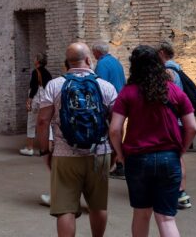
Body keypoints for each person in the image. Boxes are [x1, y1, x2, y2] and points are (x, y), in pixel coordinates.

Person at [109, 45, 196, 237]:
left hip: (137, 158)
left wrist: (120, 154)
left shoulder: (128, 92)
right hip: (169, 157)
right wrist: (181, 150)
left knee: (141, 214)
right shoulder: (173, 91)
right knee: (166, 218)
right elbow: (192, 127)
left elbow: (115, 129)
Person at [36, 42, 118, 237]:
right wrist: (115, 151)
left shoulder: (55, 85)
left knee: (65, 209)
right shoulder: (105, 86)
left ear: (67, 62)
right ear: (89, 60)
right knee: (98, 206)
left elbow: (42, 121)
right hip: (99, 153)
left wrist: (45, 151)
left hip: (64, 154)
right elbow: (115, 124)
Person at [156, 40, 192, 209]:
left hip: (172, 122)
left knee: (176, 158)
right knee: (177, 157)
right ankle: (180, 192)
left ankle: (179, 192)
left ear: (162, 53)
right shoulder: (177, 68)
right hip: (178, 120)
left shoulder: (168, 71)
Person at [91, 41, 127, 179]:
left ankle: (116, 163)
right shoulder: (116, 62)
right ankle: (118, 162)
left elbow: (100, 85)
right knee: (118, 131)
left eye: (94, 52)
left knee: (111, 133)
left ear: (98, 52)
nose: (93, 54)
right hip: (121, 101)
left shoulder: (102, 64)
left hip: (111, 104)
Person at [21, 53, 52, 156]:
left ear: (38, 61)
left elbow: (34, 87)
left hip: (36, 100)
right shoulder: (48, 73)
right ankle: (48, 148)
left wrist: (29, 99)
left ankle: (29, 148)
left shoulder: (36, 72)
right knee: (47, 123)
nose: (34, 60)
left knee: (31, 123)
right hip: (46, 101)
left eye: (35, 58)